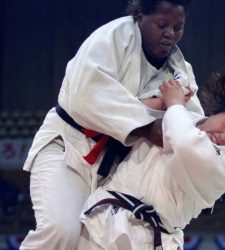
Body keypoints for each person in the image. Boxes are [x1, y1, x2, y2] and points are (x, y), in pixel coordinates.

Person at [20, 1, 203, 249]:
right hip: (69, 147)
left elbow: (188, 123)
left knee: (99, 241)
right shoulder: (113, 39)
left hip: (116, 168)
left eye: (178, 27)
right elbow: (84, 95)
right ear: (140, 16)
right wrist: (152, 117)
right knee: (61, 230)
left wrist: (158, 108)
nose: (170, 33)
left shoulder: (181, 71)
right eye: (162, 25)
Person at [77, 63, 225, 250]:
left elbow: (185, 144)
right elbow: (120, 115)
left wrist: (174, 104)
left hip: (148, 237)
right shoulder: (183, 115)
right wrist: (164, 102)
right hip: (102, 218)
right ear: (218, 112)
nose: (224, 136)